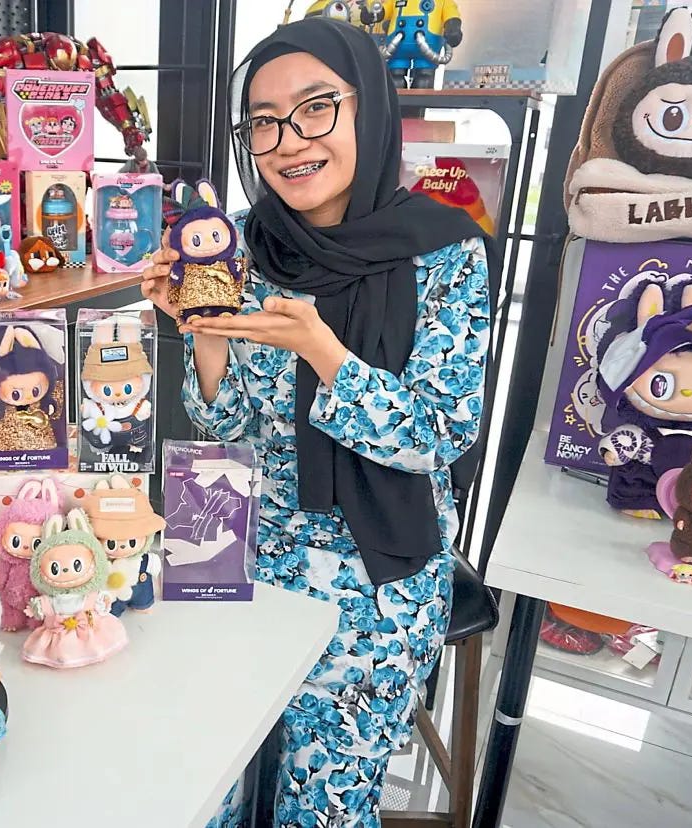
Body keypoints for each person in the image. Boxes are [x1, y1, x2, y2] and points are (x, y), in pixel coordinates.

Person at [141, 18, 490, 828]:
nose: (288, 141)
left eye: (315, 107)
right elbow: (223, 429)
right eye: (263, 122)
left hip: (368, 565)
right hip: (222, 530)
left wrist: (323, 351)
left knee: (322, 804)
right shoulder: (238, 244)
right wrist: (200, 331)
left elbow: (438, 433)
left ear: (369, 108)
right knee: (199, 776)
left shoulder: (444, 252)